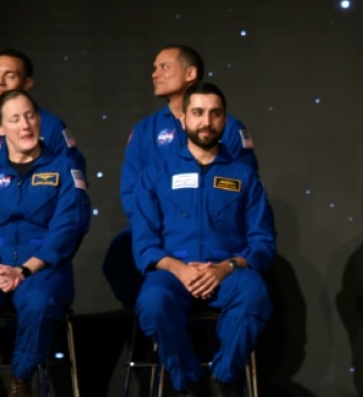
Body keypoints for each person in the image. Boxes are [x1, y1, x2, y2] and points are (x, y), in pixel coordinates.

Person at [131, 82, 274, 397]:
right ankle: (187, 383)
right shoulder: (155, 174)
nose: (206, 121)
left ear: (225, 120)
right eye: (197, 113)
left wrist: (225, 268)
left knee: (255, 295)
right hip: (173, 274)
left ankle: (223, 380)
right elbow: (144, 244)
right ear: (183, 119)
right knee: (152, 303)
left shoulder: (245, 177)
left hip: (228, 273)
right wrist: (180, 269)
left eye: (215, 114)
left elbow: (263, 242)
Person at [0, 89, 91, 397]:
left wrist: (25, 270)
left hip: (43, 269)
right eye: (15, 119)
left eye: (30, 116)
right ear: (0, 129)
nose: (25, 125)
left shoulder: (64, 170)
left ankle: (20, 380)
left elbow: (68, 227)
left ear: (40, 120)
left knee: (37, 301)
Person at [103, 44, 258, 309]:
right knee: (125, 256)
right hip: (163, 239)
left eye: (164, 67)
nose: (155, 74)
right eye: (154, 68)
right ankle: (155, 338)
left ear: (191, 73)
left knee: (253, 290)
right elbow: (131, 191)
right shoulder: (145, 130)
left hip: (218, 244)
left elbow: (245, 190)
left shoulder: (229, 128)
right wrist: (166, 242)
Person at [0, 48, 86, 273]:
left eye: (10, 75)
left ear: (27, 83)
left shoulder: (51, 126)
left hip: (38, 250)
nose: (0, 82)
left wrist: (46, 260)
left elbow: (72, 197)